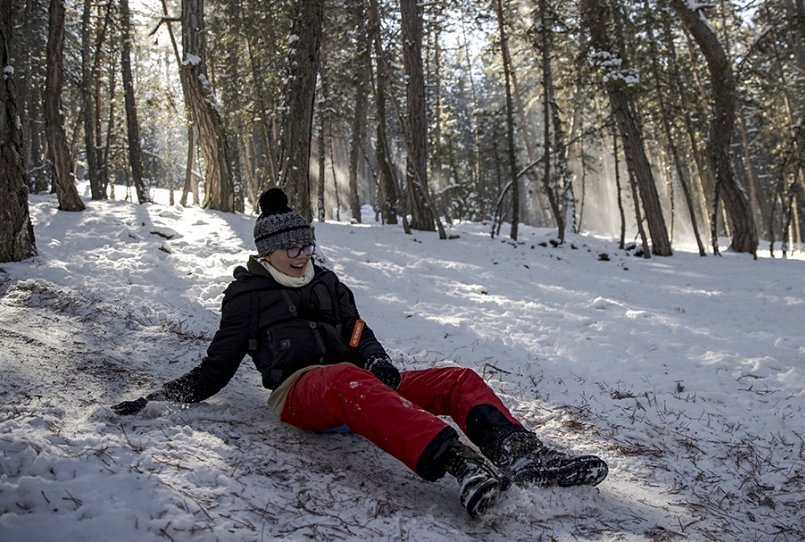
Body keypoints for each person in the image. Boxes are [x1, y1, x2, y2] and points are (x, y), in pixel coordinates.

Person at [113, 188, 607, 517]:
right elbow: (216, 368)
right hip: (303, 393)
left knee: (455, 377)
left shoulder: (329, 283)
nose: (303, 252)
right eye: (291, 246)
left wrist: (375, 358)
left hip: (359, 382)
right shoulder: (246, 296)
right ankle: (463, 465)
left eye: (306, 241)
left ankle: (520, 455)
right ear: (267, 250)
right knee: (345, 380)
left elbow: (356, 332)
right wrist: (162, 397)